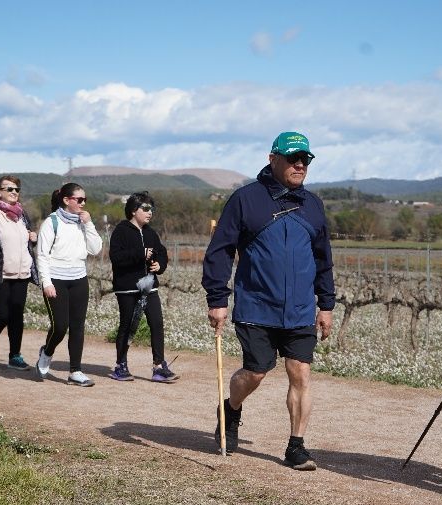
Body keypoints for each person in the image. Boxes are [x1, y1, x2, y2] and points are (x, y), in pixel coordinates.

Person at [202, 131, 335, 470]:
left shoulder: (313, 205)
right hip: (257, 305)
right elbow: (220, 250)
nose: (300, 164)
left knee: (300, 373)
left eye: (305, 159)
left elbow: (323, 258)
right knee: (256, 373)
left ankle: (296, 446)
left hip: (301, 308)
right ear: (272, 158)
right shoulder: (246, 199)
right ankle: (230, 408)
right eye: (293, 158)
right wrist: (217, 298)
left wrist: (326, 304)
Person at [35, 183, 103, 386]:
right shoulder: (51, 222)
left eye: (85, 200)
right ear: (66, 200)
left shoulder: (83, 222)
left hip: (79, 280)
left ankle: (75, 371)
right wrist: (46, 282)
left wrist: (89, 224)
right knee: (60, 326)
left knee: (77, 327)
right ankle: (46, 352)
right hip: (56, 280)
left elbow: (96, 249)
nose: (83, 203)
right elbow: (42, 255)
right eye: (79, 200)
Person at [108, 191, 178, 383]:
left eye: (152, 209)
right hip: (127, 288)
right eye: (146, 208)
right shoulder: (121, 231)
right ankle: (120, 365)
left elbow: (162, 253)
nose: (150, 213)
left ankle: (158, 367)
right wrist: (141, 254)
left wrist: (160, 265)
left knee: (157, 324)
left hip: (149, 288)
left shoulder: (151, 233)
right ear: (133, 210)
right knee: (127, 327)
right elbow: (116, 258)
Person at [0, 175, 39, 370]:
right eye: (10, 189)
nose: (14, 192)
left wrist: (33, 238)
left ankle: (15, 356)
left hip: (22, 273)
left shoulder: (22, 215)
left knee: (17, 315)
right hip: (0, 273)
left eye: (17, 189)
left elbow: (25, 241)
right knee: (2, 313)